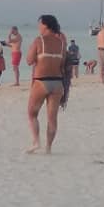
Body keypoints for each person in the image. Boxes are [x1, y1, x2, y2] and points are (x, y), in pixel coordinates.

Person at [26, 14, 68, 153]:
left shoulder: (39, 41)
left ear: (45, 25)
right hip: (57, 83)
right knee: (52, 118)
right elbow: (62, 63)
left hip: (41, 81)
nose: (38, 27)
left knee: (32, 113)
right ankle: (48, 148)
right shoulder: (61, 43)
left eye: (40, 24)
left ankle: (36, 142)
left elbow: (29, 60)